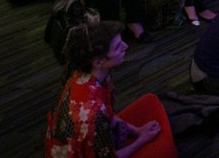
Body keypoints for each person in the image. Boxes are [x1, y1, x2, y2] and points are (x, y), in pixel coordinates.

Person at [45, 20, 173, 158]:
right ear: (98, 62)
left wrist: (138, 131)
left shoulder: (84, 74)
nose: (126, 46)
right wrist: (142, 140)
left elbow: (108, 114)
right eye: (118, 47)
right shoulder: (93, 113)